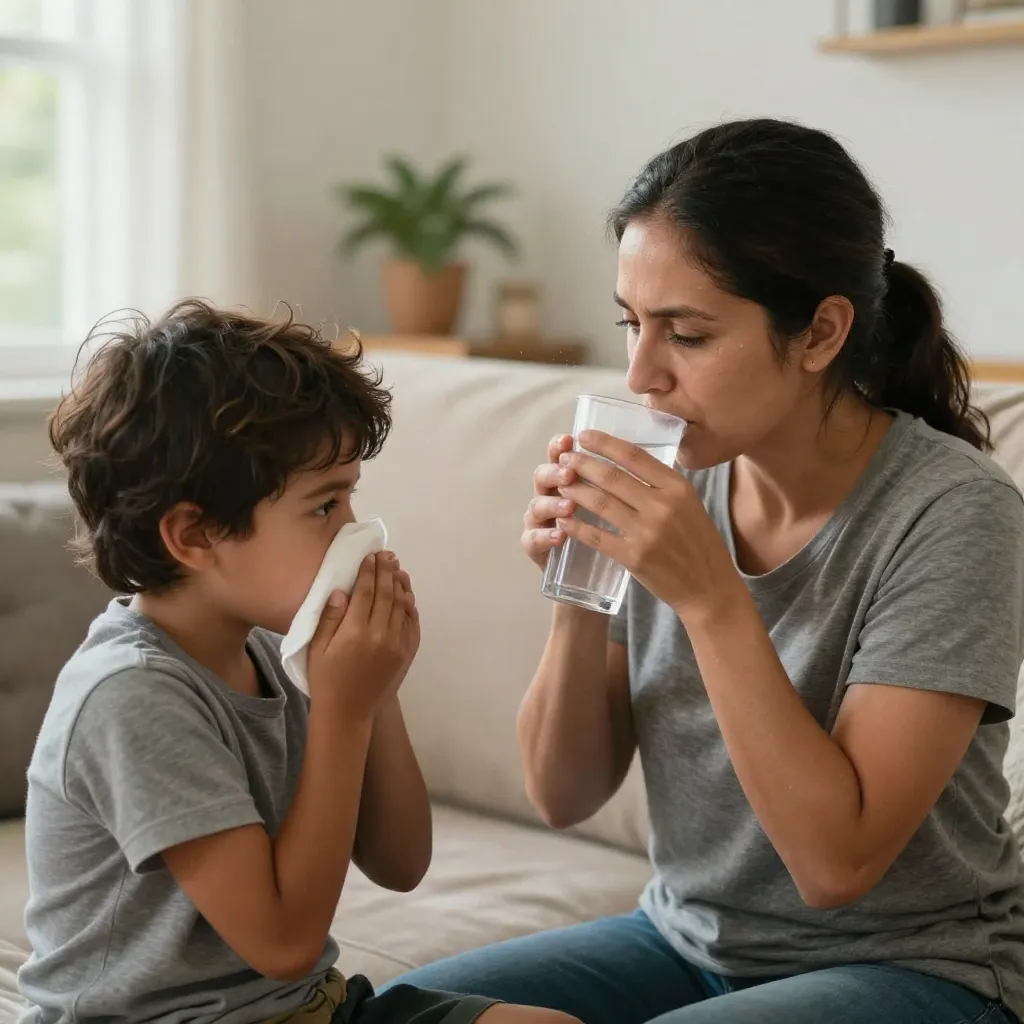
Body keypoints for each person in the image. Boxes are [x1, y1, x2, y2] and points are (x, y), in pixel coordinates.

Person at [385, 119, 1024, 1023]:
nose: (642, 374)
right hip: (683, 939)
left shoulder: (954, 513)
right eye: (632, 324)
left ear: (820, 332)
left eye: (685, 333)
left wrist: (709, 595)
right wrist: (579, 578)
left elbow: (836, 865)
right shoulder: (673, 476)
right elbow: (562, 794)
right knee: (408, 1011)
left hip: (917, 966)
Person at [18, 300, 577, 1024]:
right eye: (324, 506)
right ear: (194, 535)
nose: (355, 530)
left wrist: (378, 692)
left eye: (350, 497)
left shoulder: (276, 652)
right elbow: (281, 942)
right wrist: (343, 710)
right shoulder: (132, 694)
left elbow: (401, 863)